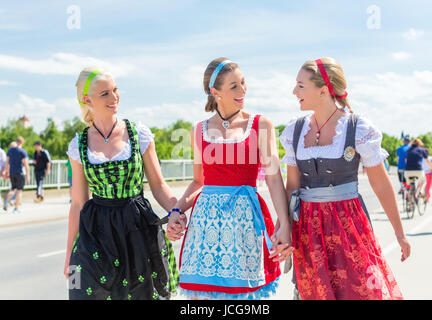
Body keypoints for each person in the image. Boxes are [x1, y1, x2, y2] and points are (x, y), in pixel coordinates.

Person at [280, 57, 410, 300]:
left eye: (300, 85)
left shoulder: (358, 128)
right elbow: (292, 188)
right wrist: (284, 229)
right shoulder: (294, 131)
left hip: (348, 224)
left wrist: (399, 233)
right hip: (308, 228)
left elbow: (380, 184)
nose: (294, 91)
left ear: (323, 90)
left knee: (359, 290)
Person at [166, 58, 293, 300]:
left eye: (243, 83)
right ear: (215, 92)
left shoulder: (260, 124)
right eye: (234, 85)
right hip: (205, 228)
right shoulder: (198, 130)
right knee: (200, 299)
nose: (243, 89)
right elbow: (198, 182)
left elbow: (274, 178)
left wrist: (284, 225)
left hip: (245, 223)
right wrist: (176, 211)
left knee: (243, 297)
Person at [64, 67, 179, 300]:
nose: (114, 97)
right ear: (87, 100)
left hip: (138, 229)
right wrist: (69, 255)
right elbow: (78, 204)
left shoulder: (138, 134)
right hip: (96, 233)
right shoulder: (79, 145)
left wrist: (175, 210)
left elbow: (158, 186)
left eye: (115, 90)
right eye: (105, 93)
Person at [3, 137, 30, 213]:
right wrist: (28, 175)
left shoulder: (10, 151)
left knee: (13, 189)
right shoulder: (23, 152)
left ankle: (6, 202)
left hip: (12, 172)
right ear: (22, 143)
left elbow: (7, 162)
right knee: (19, 191)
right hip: (20, 172)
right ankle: (16, 208)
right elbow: (26, 164)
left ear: (16, 141)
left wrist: (6, 171)